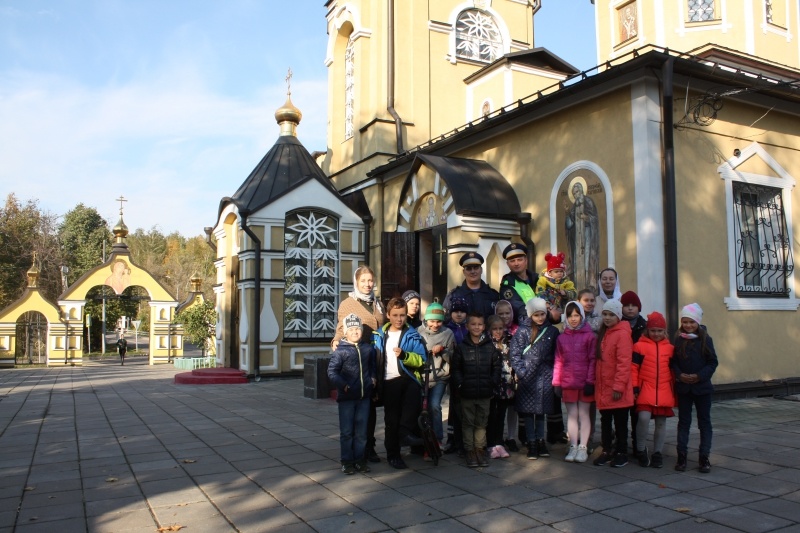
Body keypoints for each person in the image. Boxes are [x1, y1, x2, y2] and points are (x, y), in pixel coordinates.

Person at [331, 265, 386, 463]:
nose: (367, 284)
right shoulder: (348, 303)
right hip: (358, 357)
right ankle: (358, 448)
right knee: (360, 405)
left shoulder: (378, 304)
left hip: (376, 357)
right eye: (363, 281)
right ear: (356, 282)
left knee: (371, 404)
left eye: (370, 280)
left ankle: (368, 446)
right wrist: (336, 340)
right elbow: (340, 327)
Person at [372, 297, 427, 470]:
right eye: (395, 315)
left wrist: (405, 356)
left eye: (402, 315)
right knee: (391, 420)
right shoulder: (379, 336)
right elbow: (374, 361)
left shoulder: (412, 334)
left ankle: (405, 433)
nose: (399, 319)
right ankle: (393, 454)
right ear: (388, 315)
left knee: (412, 401)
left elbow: (421, 360)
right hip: (388, 382)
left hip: (407, 378)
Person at [510, 297, 559, 460]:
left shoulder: (552, 331)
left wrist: (552, 373)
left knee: (541, 412)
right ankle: (531, 441)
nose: (540, 318)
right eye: (536, 315)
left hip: (545, 376)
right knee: (528, 413)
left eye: (542, 314)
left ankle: (540, 440)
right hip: (528, 378)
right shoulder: (523, 331)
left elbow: (556, 354)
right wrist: (522, 372)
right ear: (531, 315)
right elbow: (515, 354)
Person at [327, 314, 377, 475]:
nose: (355, 332)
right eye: (352, 329)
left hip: (364, 397)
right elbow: (332, 372)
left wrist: (373, 379)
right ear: (346, 332)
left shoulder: (368, 349)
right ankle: (347, 461)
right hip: (347, 398)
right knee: (347, 432)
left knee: (362, 432)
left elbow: (373, 366)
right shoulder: (340, 352)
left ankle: (360, 460)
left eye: (358, 329)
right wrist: (344, 385)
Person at [672, 303, 718, 474]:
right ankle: (681, 456)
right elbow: (674, 362)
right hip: (684, 388)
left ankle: (704, 457)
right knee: (684, 422)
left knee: (704, 423)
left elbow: (712, 362)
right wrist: (680, 375)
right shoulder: (678, 339)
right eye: (685, 322)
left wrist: (699, 376)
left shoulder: (706, 339)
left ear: (697, 322)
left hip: (702, 389)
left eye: (691, 322)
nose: (688, 325)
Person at [451, 312, 501, 467]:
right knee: (468, 422)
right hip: (467, 392)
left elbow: (496, 367)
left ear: (484, 327)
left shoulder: (489, 347)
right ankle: (470, 450)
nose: (476, 327)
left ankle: (479, 449)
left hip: (485, 392)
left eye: (480, 324)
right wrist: (460, 383)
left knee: (481, 422)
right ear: (467, 326)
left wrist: (493, 382)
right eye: (473, 324)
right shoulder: (462, 347)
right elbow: (456, 368)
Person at [592, 299, 634, 468]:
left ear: (618, 316)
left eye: (611, 315)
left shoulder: (622, 334)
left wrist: (618, 386)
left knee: (621, 422)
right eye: (605, 314)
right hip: (604, 387)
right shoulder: (605, 333)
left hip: (617, 388)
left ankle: (621, 452)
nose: (607, 318)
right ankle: (607, 450)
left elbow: (624, 363)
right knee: (605, 421)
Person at [553, 301, 596, 463]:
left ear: (582, 316)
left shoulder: (589, 336)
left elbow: (593, 360)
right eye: (570, 316)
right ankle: (573, 445)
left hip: (584, 382)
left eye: (577, 315)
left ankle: (583, 447)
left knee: (584, 415)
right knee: (571, 416)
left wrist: (590, 381)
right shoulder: (562, 338)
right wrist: (556, 382)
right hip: (568, 383)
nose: (573, 319)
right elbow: (558, 361)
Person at [631, 311, 675, 469]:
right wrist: (635, 387)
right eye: (653, 330)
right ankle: (641, 449)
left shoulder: (670, 349)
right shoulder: (639, 346)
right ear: (647, 331)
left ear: (664, 331)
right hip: (645, 389)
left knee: (661, 424)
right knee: (643, 418)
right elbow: (634, 368)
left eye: (659, 331)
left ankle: (657, 452)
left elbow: (672, 370)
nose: (656, 334)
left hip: (664, 390)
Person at [417, 302, 455, 451]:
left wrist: (443, 351)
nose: (435, 324)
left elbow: (452, 357)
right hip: (423, 376)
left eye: (438, 321)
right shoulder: (418, 332)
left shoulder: (447, 334)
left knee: (434, 406)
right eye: (432, 321)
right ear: (426, 320)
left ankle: (438, 438)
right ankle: (423, 438)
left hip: (439, 376)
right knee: (421, 408)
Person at [499, 243, 561, 326]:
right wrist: (549, 314)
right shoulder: (507, 285)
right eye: (512, 261)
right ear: (508, 264)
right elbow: (519, 311)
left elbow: (553, 303)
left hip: (546, 330)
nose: (516, 263)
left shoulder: (539, 278)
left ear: (526, 260)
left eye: (519, 259)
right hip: (525, 332)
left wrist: (555, 309)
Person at [486, 315, 515, 459]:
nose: (498, 332)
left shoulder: (509, 340)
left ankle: (499, 442)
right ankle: (491, 443)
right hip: (492, 384)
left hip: (506, 384)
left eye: (500, 328)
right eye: (494, 329)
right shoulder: (487, 343)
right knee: (492, 414)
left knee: (502, 414)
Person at [564, 179, 600, 293]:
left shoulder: (588, 201)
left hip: (588, 235)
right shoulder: (574, 206)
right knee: (577, 261)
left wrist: (587, 218)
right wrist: (567, 213)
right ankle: (577, 286)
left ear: (582, 191)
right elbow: (570, 224)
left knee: (588, 259)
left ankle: (589, 284)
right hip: (578, 240)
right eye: (574, 194)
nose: (576, 195)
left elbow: (594, 218)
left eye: (577, 192)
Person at [443, 252, 499, 318]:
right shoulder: (453, 295)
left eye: (476, 268)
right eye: (469, 268)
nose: (472, 271)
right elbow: (445, 319)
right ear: (463, 272)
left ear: (481, 270)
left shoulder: (493, 295)